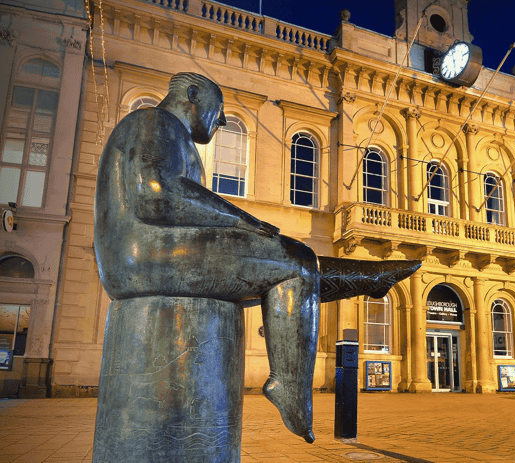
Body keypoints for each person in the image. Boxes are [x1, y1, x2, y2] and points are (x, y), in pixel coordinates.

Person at [94, 72, 418, 443]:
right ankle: (291, 385)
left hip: (151, 254)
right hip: (146, 255)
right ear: (193, 94)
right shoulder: (152, 121)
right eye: (218, 111)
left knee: (293, 262)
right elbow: (156, 195)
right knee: (294, 263)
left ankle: (369, 281)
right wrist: (242, 219)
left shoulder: (170, 134)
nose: (220, 120)